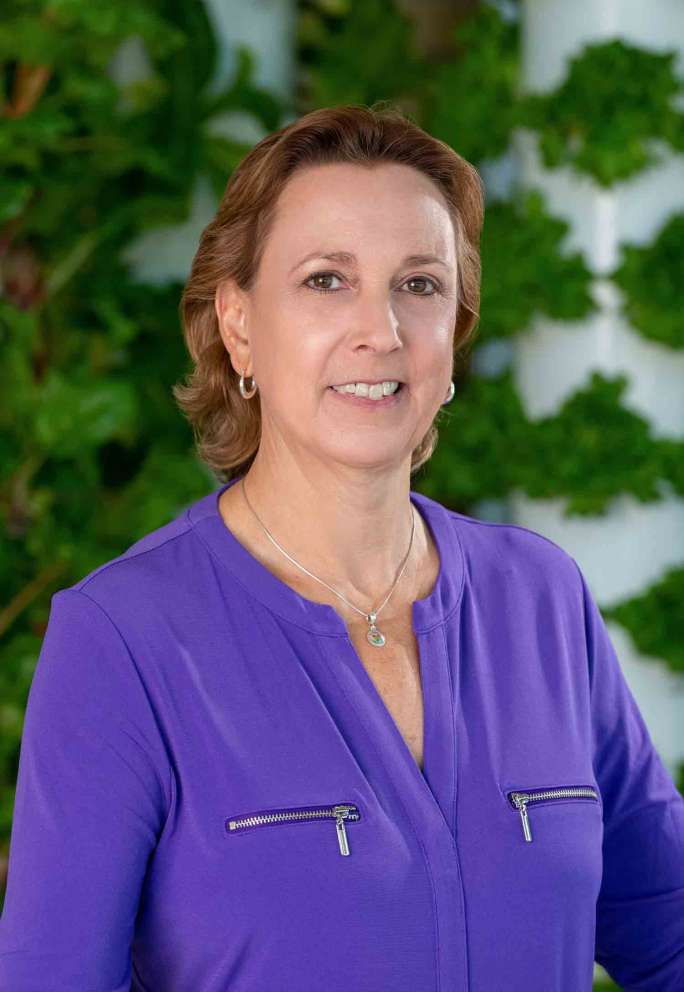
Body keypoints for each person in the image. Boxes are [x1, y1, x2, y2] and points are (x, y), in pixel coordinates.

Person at [0, 102, 682, 991]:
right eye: (327, 280)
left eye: (420, 285)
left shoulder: (540, 598)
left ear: (452, 340)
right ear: (239, 325)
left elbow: (665, 931)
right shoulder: (123, 639)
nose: (381, 330)